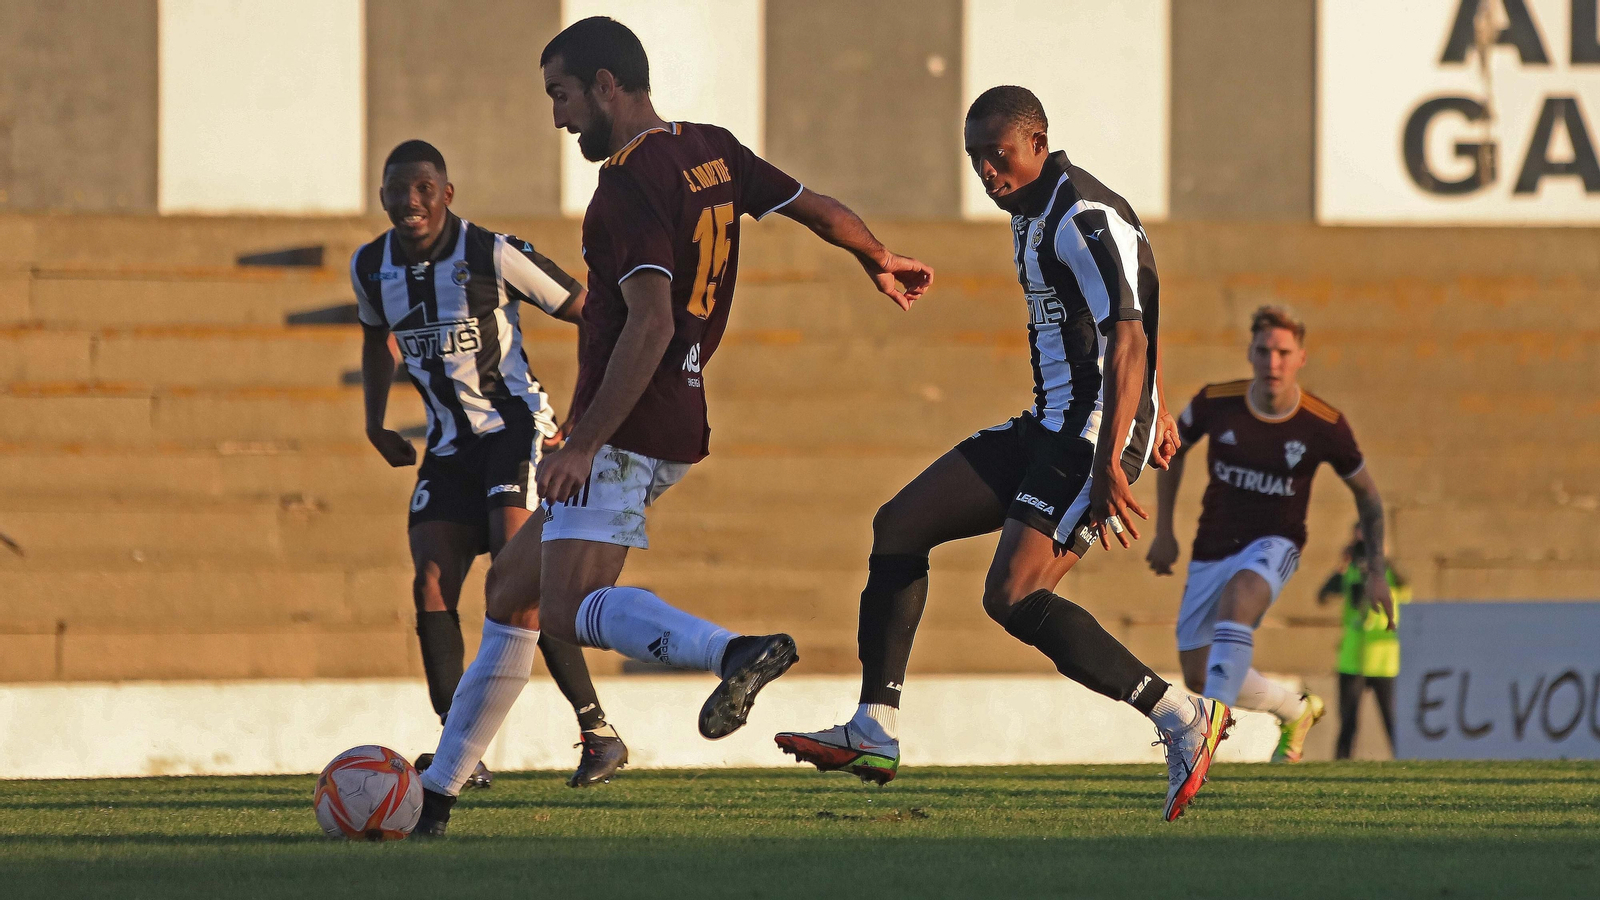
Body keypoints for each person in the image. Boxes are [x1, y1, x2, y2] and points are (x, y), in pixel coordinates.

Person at [410, 17, 934, 836]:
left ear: (607, 85)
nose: (558, 118)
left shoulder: (624, 186)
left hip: (629, 416)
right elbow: (810, 206)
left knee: (566, 606)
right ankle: (438, 795)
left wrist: (583, 440)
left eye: (563, 95)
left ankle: (732, 651)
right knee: (512, 590)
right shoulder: (710, 149)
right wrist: (876, 255)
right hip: (677, 410)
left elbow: (648, 323)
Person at [776, 85, 1231, 823]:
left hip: (1090, 436)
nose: (988, 172)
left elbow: (1131, 334)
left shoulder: (1079, 216)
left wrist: (1117, 451)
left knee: (1013, 596)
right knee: (898, 526)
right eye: (976, 159)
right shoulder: (1033, 211)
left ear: (1038, 145)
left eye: (999, 155)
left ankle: (1182, 716)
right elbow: (1116, 317)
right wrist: (1155, 400)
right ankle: (875, 727)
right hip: (1052, 422)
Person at [352, 139, 627, 791]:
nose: (409, 200)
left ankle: (597, 732)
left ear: (447, 194)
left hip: (513, 431)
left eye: (423, 187)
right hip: (448, 447)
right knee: (431, 585)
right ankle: (461, 754)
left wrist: (585, 421)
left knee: (517, 577)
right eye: (396, 188)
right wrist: (374, 423)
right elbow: (374, 339)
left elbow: (589, 311)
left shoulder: (491, 253)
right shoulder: (372, 266)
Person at [1146, 306, 1394, 764]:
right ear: (1250, 354)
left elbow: (1369, 498)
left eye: (1283, 352)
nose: (1273, 362)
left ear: (1301, 357)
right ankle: (1294, 710)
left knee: (1239, 599)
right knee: (1199, 674)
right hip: (1212, 545)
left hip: (1276, 543)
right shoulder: (1215, 401)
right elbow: (1171, 448)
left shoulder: (1324, 424)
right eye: (1264, 351)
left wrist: (1376, 572)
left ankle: (1203, 747)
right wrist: (1164, 532)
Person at [1317, 524, 1409, 759]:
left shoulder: (1389, 574)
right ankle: (1341, 764)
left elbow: (1405, 587)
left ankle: (1406, 761)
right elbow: (1324, 595)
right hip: (1352, 658)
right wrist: (1343, 564)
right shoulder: (1351, 571)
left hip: (1382, 661)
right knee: (1347, 722)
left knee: (1393, 721)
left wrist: (1383, 560)